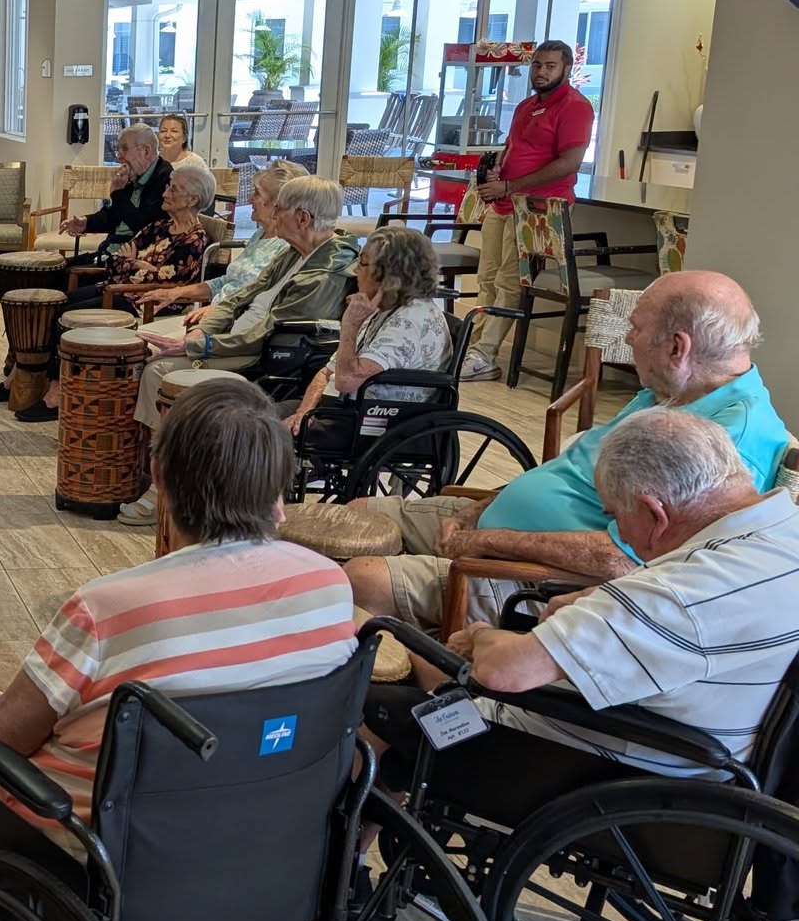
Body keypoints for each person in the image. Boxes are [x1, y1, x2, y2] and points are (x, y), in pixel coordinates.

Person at [0, 376, 357, 825]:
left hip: (103, 858)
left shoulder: (107, 608)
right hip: (264, 833)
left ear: (157, 476)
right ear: (276, 488)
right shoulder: (330, 585)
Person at [364, 411, 799, 826]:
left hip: (600, 768)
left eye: (614, 517)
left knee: (378, 699)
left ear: (654, 512)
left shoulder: (684, 593)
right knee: (428, 670)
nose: (620, 535)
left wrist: (481, 636)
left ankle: (351, 868)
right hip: (706, 761)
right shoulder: (779, 534)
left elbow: (503, 671)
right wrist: (598, 606)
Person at [345, 271, 790, 631]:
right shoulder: (668, 393)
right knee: (356, 516)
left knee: (359, 580)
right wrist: (475, 512)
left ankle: (379, 715)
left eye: (635, 329)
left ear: (677, 347)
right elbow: (567, 471)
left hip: (532, 578)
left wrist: (483, 540)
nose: (628, 340)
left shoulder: (726, 442)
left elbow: (630, 561)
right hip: (489, 530)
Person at [118, 176, 357, 527]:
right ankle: (149, 469)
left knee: (159, 371)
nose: (274, 214)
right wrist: (203, 329)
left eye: (280, 209)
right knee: (147, 352)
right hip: (237, 335)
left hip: (267, 356)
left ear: (303, 218)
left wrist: (200, 344)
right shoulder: (292, 252)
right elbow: (237, 297)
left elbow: (267, 336)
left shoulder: (325, 273)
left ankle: (164, 485)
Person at [0, 162, 219, 421]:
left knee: (65, 315)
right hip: (120, 288)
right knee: (52, 305)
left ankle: (56, 395)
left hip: (142, 302)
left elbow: (163, 282)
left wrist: (134, 263)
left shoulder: (195, 240)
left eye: (174, 189)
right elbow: (119, 256)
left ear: (192, 199)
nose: (165, 192)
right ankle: (19, 378)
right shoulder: (160, 225)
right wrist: (135, 264)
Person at [458, 39, 594, 382]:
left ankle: (485, 353)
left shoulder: (575, 107)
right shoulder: (526, 106)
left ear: (566, 69)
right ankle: (473, 348)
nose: (542, 72)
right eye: (537, 65)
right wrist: (497, 171)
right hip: (504, 202)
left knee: (509, 281)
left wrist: (512, 186)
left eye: (550, 66)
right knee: (487, 277)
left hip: (539, 209)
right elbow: (511, 147)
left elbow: (569, 163)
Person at [283, 226, 452, 453]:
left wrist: (350, 326)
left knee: (260, 431)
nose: (355, 270)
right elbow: (327, 372)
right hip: (345, 408)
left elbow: (345, 381)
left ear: (389, 275)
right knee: (254, 415)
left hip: (373, 423)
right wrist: (303, 412)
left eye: (362, 263)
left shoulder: (409, 322)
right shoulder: (383, 308)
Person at [134, 159, 298, 320]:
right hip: (216, 315)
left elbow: (265, 300)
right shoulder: (259, 235)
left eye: (257, 193)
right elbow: (224, 282)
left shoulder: (287, 246)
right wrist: (176, 292)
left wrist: (218, 310)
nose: (249, 200)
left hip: (234, 321)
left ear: (277, 203)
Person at [60, 126, 169, 255]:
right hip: (111, 251)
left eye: (124, 149)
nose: (119, 157)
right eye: (118, 150)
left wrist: (117, 193)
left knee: (62, 272)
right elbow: (113, 216)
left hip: (133, 258)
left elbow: (143, 226)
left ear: (146, 151)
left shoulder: (165, 179)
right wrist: (86, 223)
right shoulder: (137, 174)